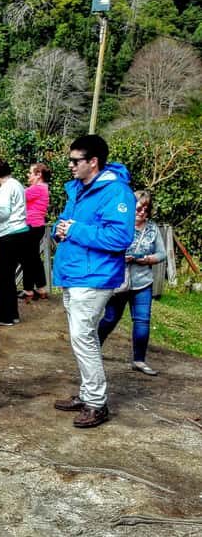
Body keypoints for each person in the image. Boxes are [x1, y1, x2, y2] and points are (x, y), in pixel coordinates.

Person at [52, 134, 135, 429]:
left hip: (95, 276)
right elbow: (64, 221)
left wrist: (74, 230)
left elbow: (120, 237)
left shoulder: (116, 193)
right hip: (73, 273)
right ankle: (88, 394)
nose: (71, 166)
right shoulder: (78, 189)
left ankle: (97, 403)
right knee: (82, 339)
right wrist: (58, 231)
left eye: (76, 161)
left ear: (93, 162)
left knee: (83, 338)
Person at [97, 190, 166, 376]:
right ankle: (94, 349)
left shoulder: (153, 228)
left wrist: (149, 259)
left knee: (143, 321)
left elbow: (162, 253)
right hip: (120, 280)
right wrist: (122, 257)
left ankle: (139, 360)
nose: (141, 212)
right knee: (111, 318)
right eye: (138, 207)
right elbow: (107, 248)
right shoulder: (120, 226)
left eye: (146, 209)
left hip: (143, 281)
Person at [0, 159, 29, 326]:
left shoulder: (5, 188)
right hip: (20, 233)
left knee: (3, 277)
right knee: (9, 276)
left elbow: (3, 213)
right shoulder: (17, 184)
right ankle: (12, 313)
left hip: (8, 234)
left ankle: (2, 315)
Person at [18, 163, 51, 301]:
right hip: (37, 226)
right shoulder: (41, 188)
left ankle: (29, 290)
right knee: (33, 258)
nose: (28, 175)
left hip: (31, 226)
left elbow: (18, 196)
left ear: (38, 175)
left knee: (27, 258)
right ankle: (40, 288)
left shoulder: (37, 188)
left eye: (30, 173)